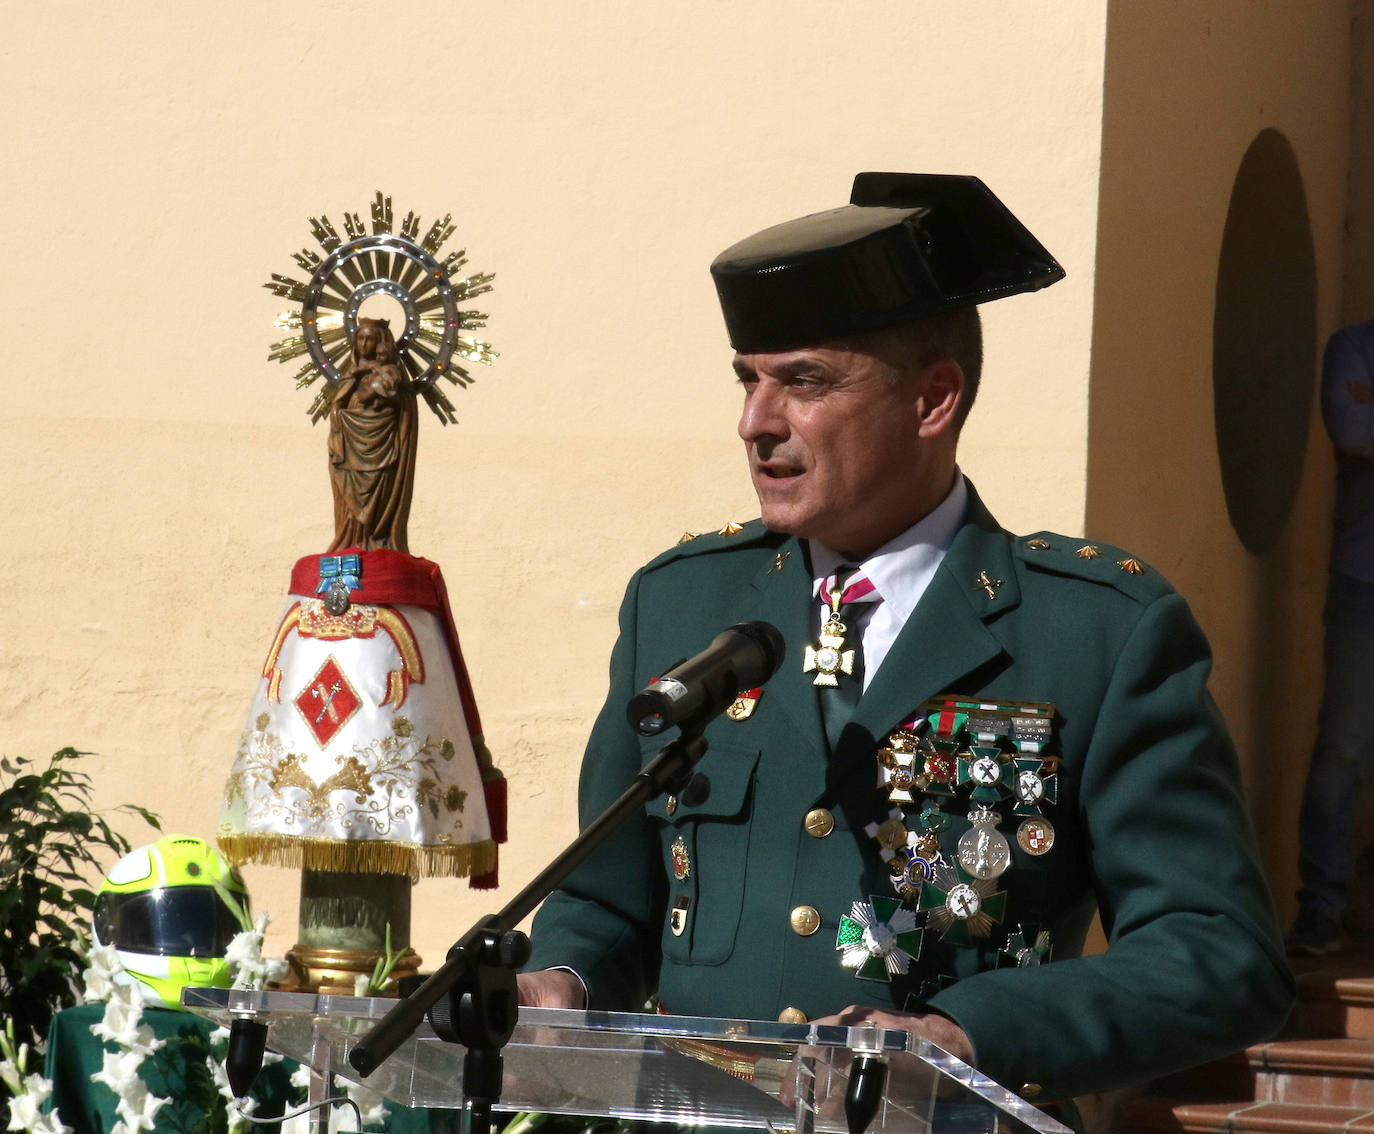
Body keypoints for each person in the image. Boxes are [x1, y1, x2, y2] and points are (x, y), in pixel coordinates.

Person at [518, 173, 1294, 1114]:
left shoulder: (1096, 632)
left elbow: (1217, 955)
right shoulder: (682, 607)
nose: (756, 422)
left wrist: (973, 1033)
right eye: (748, 380)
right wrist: (561, 979)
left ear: (933, 400)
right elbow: (608, 901)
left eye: (802, 381)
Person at [1288, 321, 1374, 955]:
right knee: (1343, 746)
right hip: (1363, 579)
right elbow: (1351, 430)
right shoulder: (1356, 345)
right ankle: (1322, 908)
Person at [326, 316, 418, 553]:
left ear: (381, 343)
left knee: (379, 500)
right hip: (350, 446)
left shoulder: (392, 373)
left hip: (381, 445)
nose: (364, 345)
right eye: (360, 338)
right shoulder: (352, 373)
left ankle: (377, 541)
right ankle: (349, 543)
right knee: (348, 502)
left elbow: (403, 404)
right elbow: (337, 405)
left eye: (370, 340)